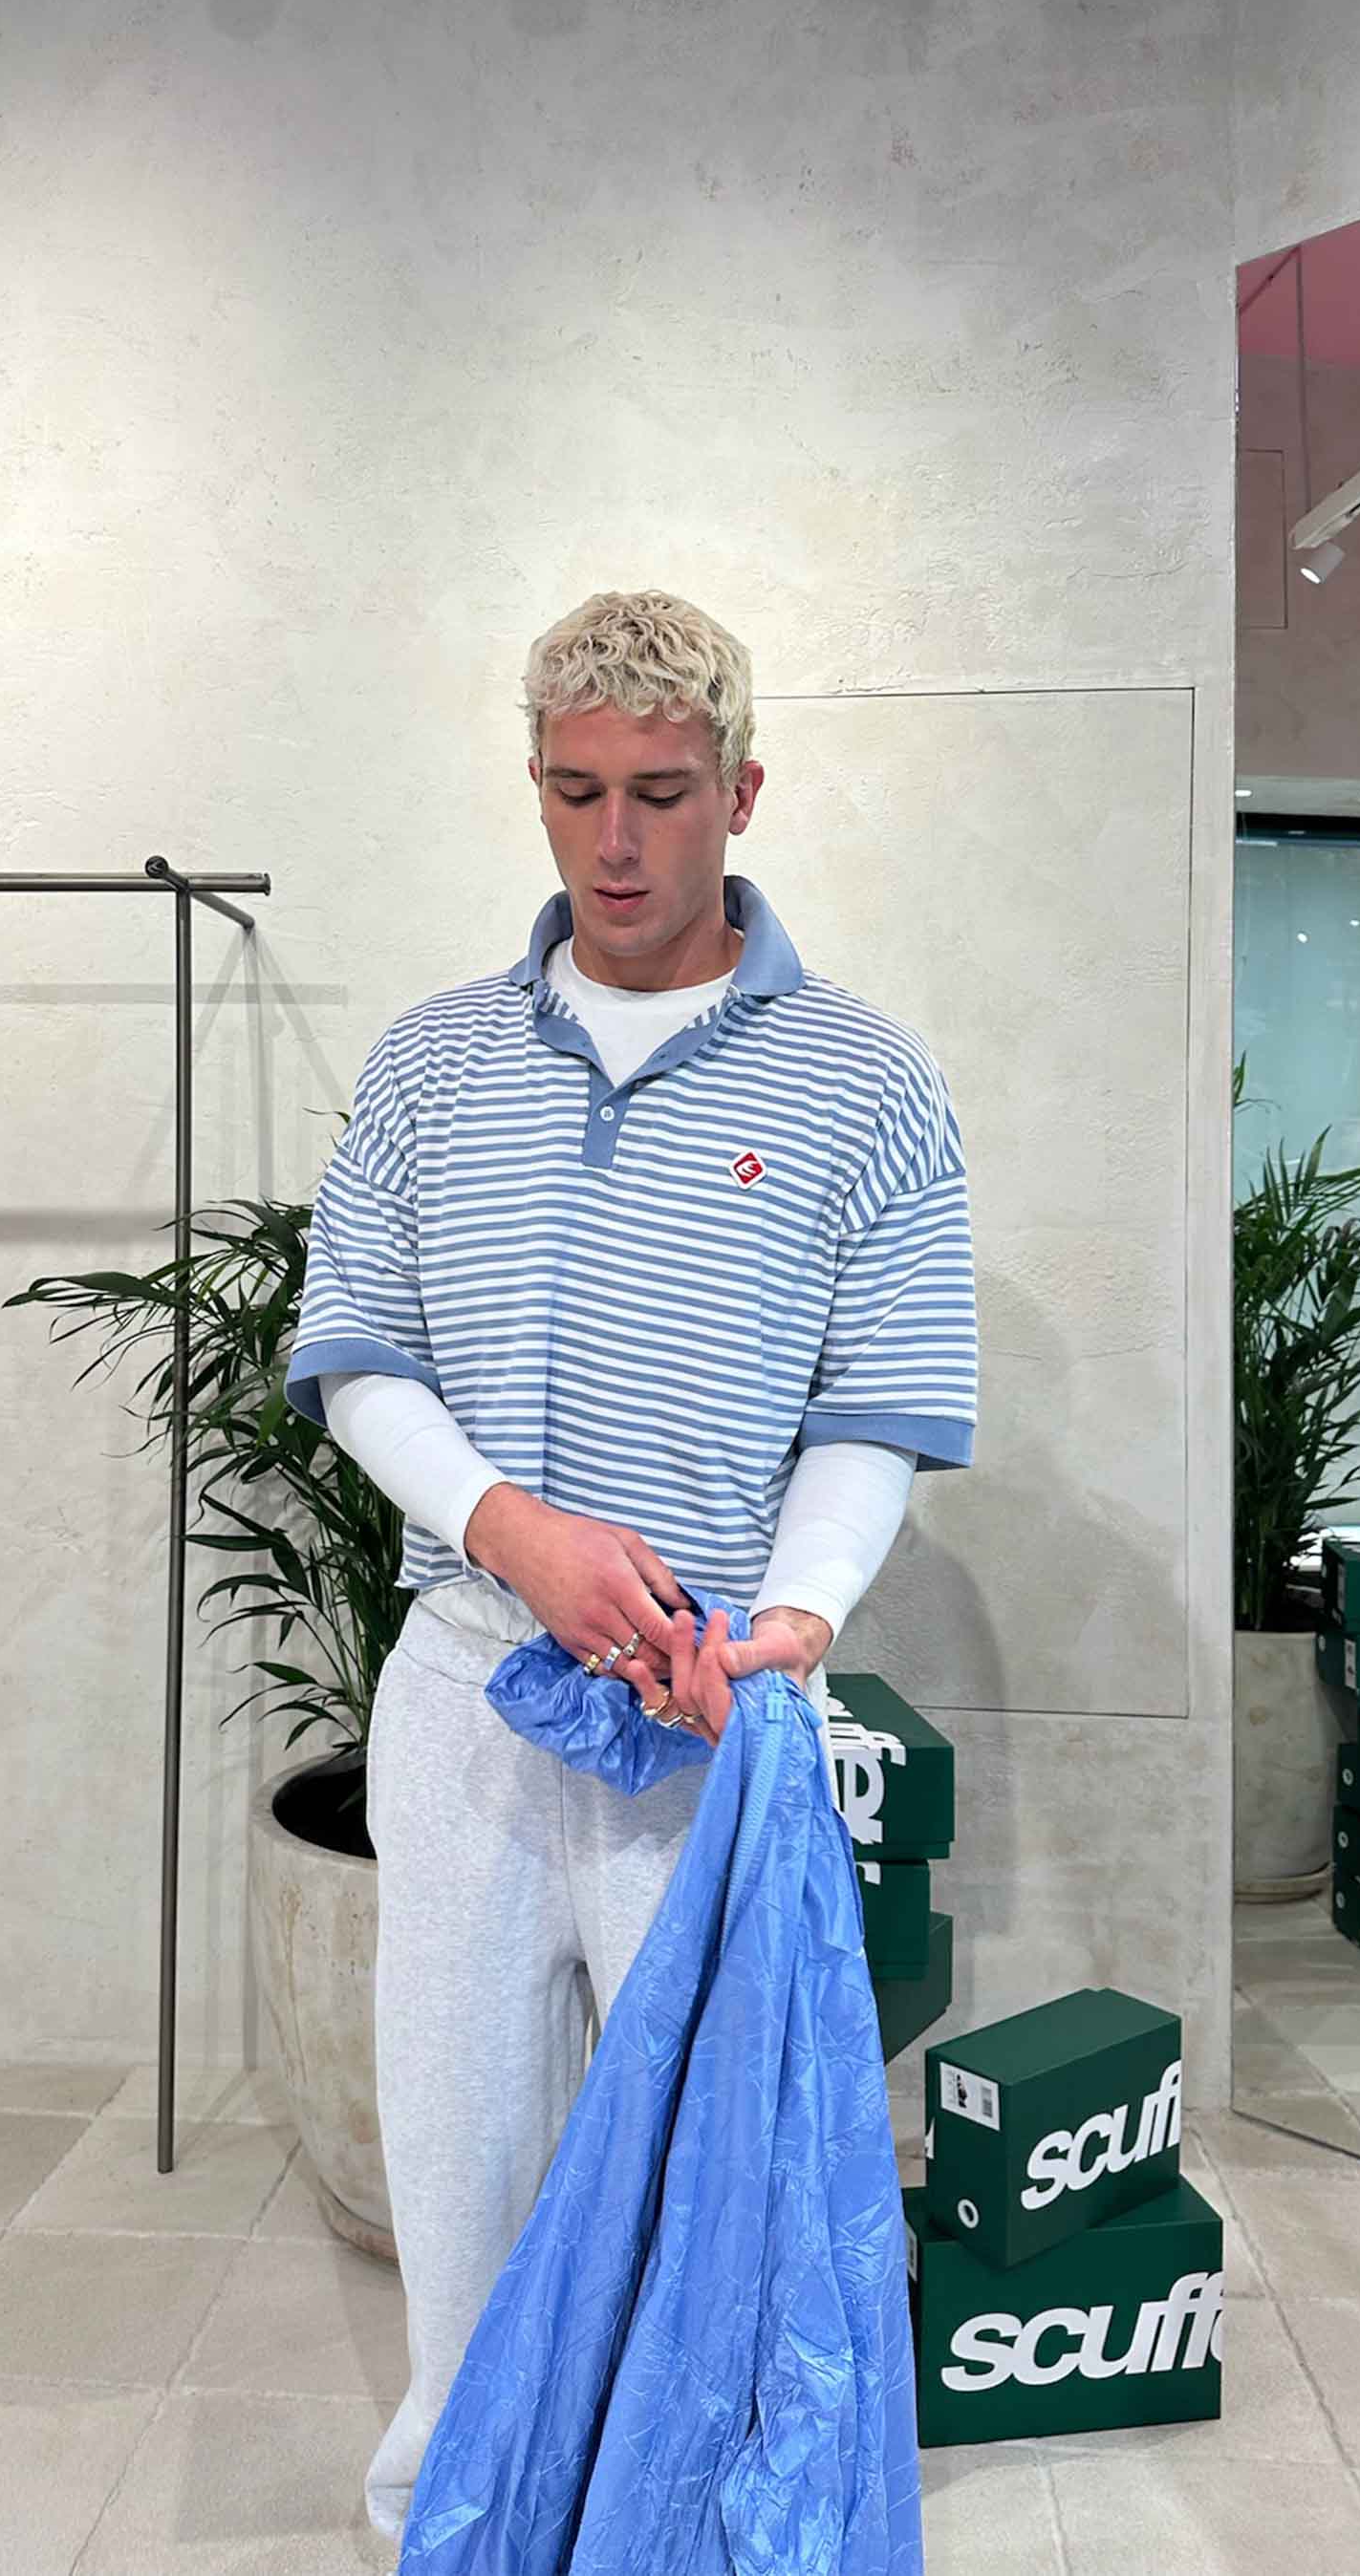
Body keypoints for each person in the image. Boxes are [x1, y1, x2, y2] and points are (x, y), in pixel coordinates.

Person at [282, 587, 978, 2544]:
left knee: (707, 2185)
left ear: (740, 791)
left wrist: (793, 1620)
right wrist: (515, 1531)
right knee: (460, 2156)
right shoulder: (434, 1061)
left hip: (715, 1702)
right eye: (574, 790)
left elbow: (874, 1406)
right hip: (469, 1684)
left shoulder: (867, 1081)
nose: (614, 841)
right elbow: (358, 1354)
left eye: (660, 794)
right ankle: (453, 2517)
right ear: (533, 783)